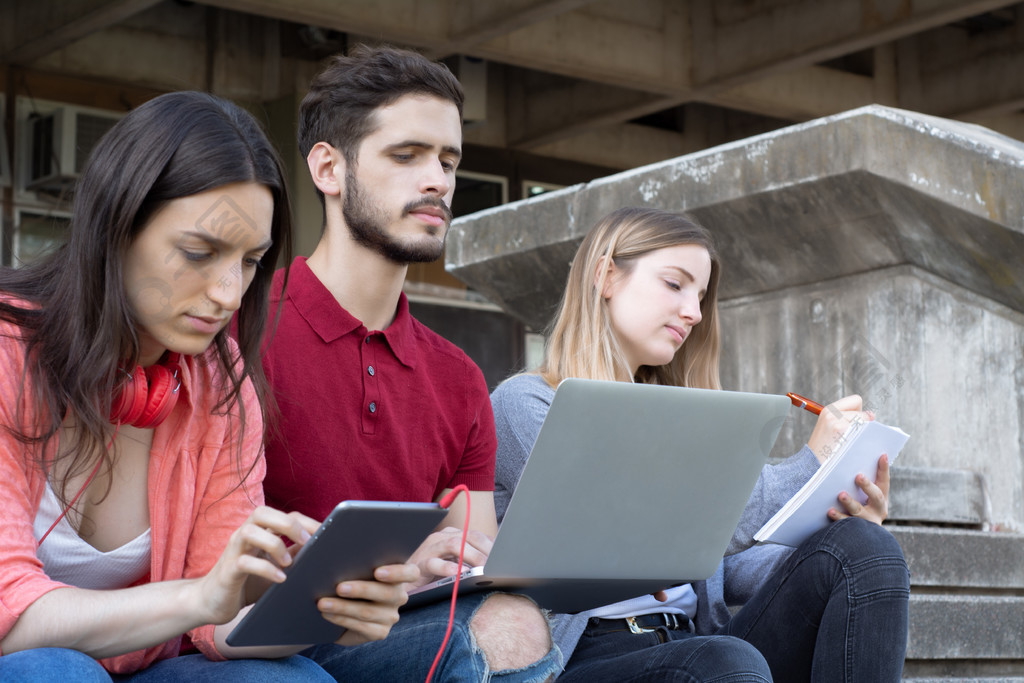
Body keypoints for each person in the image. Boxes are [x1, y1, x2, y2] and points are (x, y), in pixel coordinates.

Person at [0, 91, 415, 681]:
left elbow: (213, 627)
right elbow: (8, 614)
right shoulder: (9, 351)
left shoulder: (220, 387)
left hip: (146, 669)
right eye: (199, 252)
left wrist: (319, 613)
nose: (228, 293)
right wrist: (197, 596)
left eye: (250, 262)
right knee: (55, 671)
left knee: (298, 678)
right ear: (115, 228)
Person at [491, 207, 911, 682]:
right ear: (606, 276)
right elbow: (642, 539)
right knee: (724, 661)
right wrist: (808, 464)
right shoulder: (525, 403)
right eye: (675, 284)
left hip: (699, 642)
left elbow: (724, 567)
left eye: (701, 296)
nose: (693, 313)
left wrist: (835, 521)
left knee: (865, 546)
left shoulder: (681, 418)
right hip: (593, 657)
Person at [259, 45, 560, 681]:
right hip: (251, 639)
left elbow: (466, 562)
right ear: (329, 169)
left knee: (510, 619)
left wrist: (433, 566)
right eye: (407, 156)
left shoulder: (458, 379)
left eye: (448, 160)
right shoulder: (239, 330)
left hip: (395, 631)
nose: (438, 181)